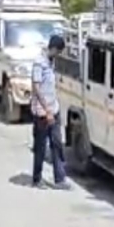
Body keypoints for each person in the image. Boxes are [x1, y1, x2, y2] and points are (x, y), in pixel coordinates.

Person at [31, 34, 68, 189]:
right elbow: (36, 88)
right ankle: (37, 178)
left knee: (57, 144)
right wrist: (47, 111)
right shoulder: (40, 63)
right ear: (53, 48)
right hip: (42, 112)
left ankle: (60, 179)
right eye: (58, 52)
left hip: (54, 109)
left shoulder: (52, 62)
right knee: (40, 146)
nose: (59, 55)